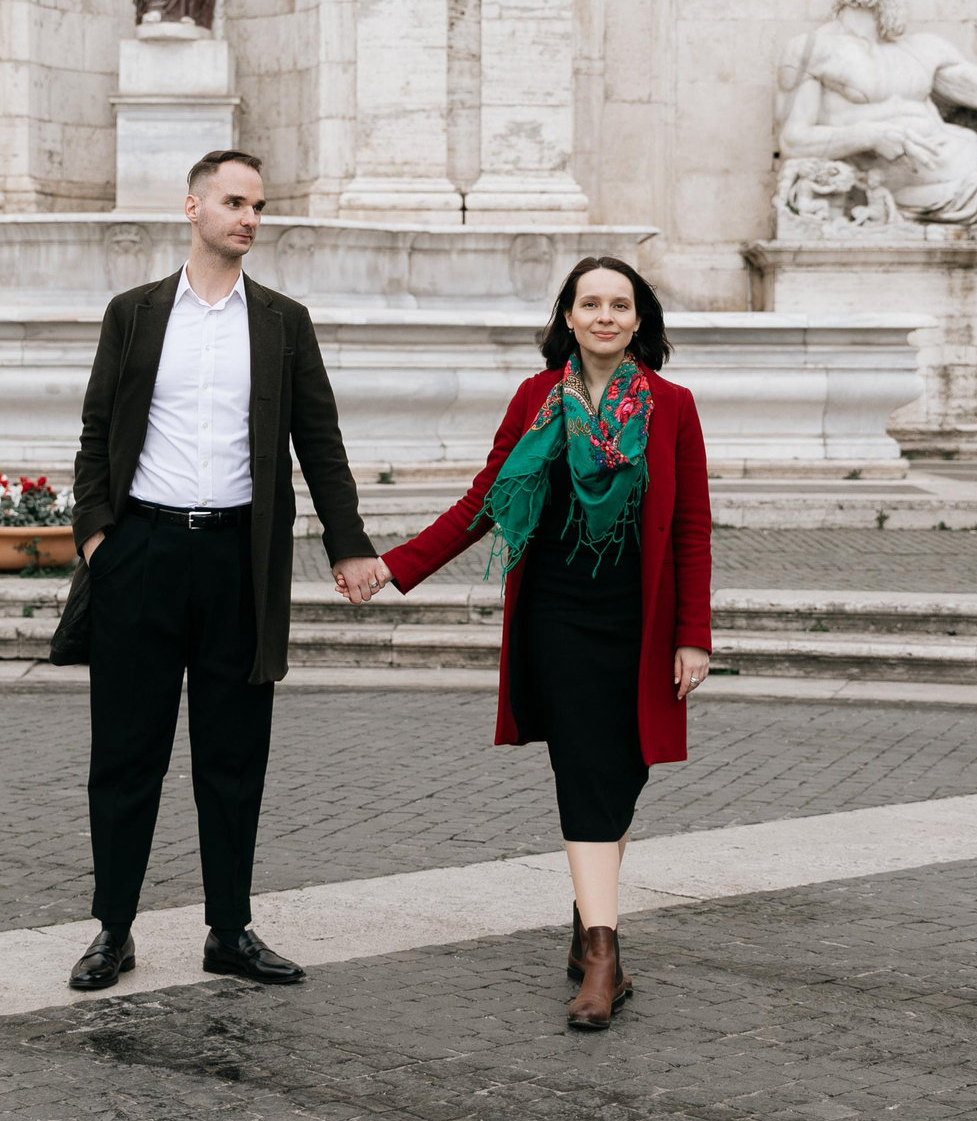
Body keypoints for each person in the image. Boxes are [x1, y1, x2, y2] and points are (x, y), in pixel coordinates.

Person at [347, 256, 712, 1033]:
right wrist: (394, 565)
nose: (606, 316)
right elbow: (485, 500)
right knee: (585, 772)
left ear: (638, 320)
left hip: (639, 620)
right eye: (591, 303)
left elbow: (690, 529)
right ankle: (603, 956)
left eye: (620, 304)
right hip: (557, 614)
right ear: (569, 317)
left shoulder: (673, 407)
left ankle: (586, 928)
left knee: (623, 774)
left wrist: (694, 636)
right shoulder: (535, 399)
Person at [65, 150, 388, 993]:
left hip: (241, 559)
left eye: (258, 204)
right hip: (142, 554)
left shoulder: (283, 320)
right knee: (126, 752)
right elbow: (97, 432)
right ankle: (113, 928)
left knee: (233, 753)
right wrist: (100, 537)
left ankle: (229, 927)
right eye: (234, 201)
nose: (249, 216)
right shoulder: (133, 314)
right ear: (193, 207)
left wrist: (349, 543)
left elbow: (320, 442)